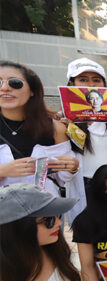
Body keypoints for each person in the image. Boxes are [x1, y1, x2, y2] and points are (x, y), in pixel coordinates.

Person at [0, 61, 84, 224]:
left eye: (14, 83)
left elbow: (63, 177)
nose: (4, 88)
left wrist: (72, 167)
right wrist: (3, 170)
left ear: (32, 90)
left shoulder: (54, 127)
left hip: (46, 216)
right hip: (4, 220)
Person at [64, 58, 107, 196]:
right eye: (83, 80)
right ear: (71, 84)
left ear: (104, 85)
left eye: (96, 80)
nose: (90, 84)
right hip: (83, 187)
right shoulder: (64, 120)